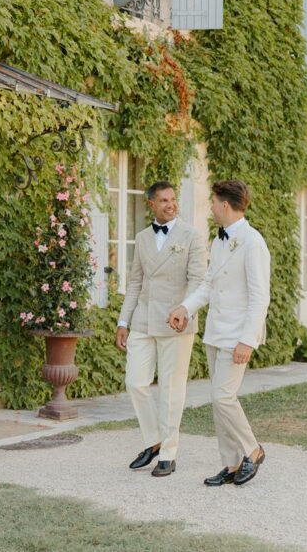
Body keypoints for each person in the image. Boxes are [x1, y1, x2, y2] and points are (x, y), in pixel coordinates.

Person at [168, 179, 271, 487]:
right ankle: (231, 462)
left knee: (222, 396)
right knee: (218, 401)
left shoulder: (253, 243)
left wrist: (247, 340)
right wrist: (185, 308)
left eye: (213, 202)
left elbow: (259, 297)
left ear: (225, 204)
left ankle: (252, 450)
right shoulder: (219, 241)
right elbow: (208, 285)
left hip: (238, 336)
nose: (210, 208)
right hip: (215, 333)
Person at [116, 181, 207, 477]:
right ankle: (154, 441)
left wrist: (185, 310)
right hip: (143, 320)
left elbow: (198, 280)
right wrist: (123, 321)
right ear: (151, 204)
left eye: (173, 199)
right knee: (135, 382)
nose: (170, 204)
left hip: (176, 321)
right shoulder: (142, 238)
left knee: (171, 388)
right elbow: (134, 283)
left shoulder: (192, 236)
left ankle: (168, 452)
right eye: (163, 200)